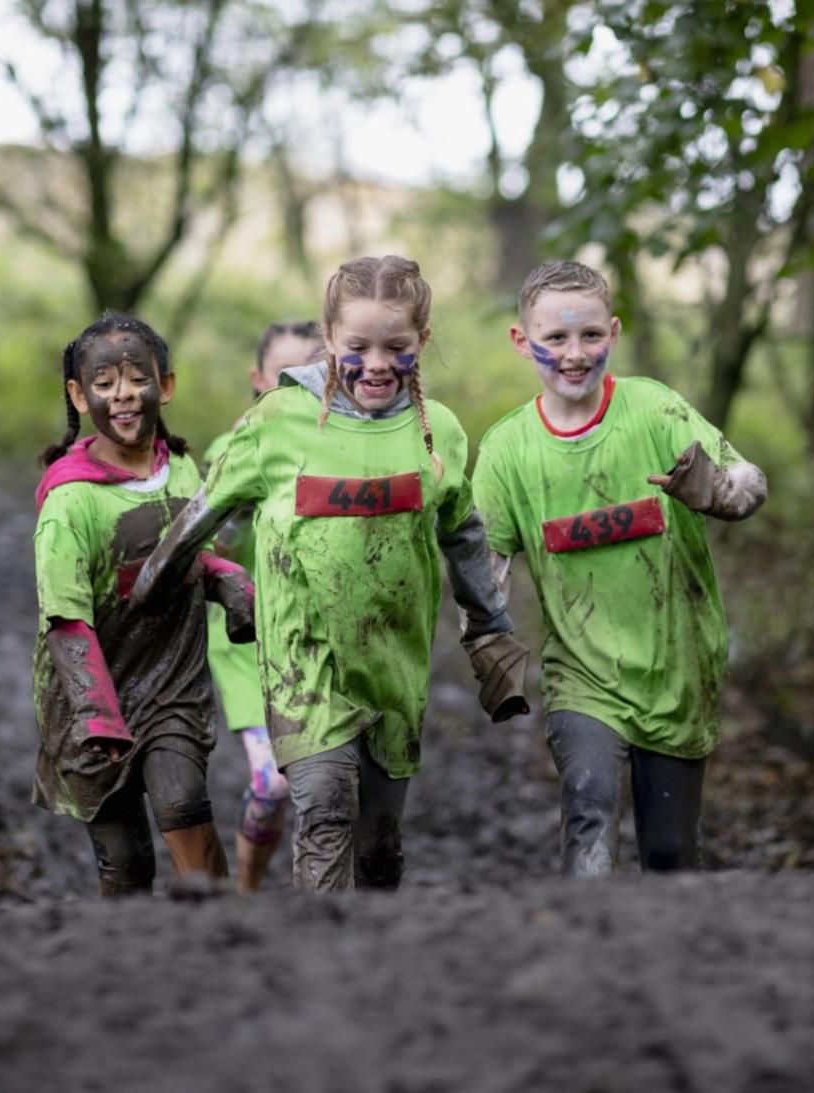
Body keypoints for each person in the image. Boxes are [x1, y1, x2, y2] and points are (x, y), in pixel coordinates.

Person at [133, 255, 531, 893]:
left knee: (378, 847)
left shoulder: (441, 433)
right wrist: (148, 590)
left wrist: (489, 626)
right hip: (302, 662)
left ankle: (370, 962)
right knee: (323, 810)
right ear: (328, 340)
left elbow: (463, 530)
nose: (376, 363)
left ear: (422, 341)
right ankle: (318, 957)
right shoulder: (276, 424)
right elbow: (204, 515)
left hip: (394, 666)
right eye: (357, 347)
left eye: (396, 347)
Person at [471, 260, 768, 878]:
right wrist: (488, 642)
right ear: (522, 341)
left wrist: (714, 490)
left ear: (613, 331)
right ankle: (590, 962)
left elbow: (750, 482)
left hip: (678, 668)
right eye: (555, 339)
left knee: (669, 854)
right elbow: (485, 567)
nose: (574, 355)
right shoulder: (506, 451)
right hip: (582, 676)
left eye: (590, 337)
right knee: (589, 812)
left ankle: (668, 965)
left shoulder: (655, 410)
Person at [30, 312, 256, 898]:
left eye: (137, 379)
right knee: (127, 865)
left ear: (166, 384)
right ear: (79, 396)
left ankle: (219, 939)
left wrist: (231, 584)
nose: (123, 395)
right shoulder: (70, 500)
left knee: (184, 798)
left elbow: (192, 554)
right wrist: (96, 711)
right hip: (92, 696)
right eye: (103, 385)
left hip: (172, 684)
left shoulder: (180, 469)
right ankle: (130, 964)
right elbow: (66, 619)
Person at [204, 319, 322, 892]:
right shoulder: (234, 448)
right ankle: (248, 882)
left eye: (312, 370)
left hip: (323, 634)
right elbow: (208, 544)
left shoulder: (344, 442)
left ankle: (320, 891)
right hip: (247, 642)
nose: (299, 384)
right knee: (275, 782)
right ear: (258, 379)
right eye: (285, 374)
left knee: (330, 776)